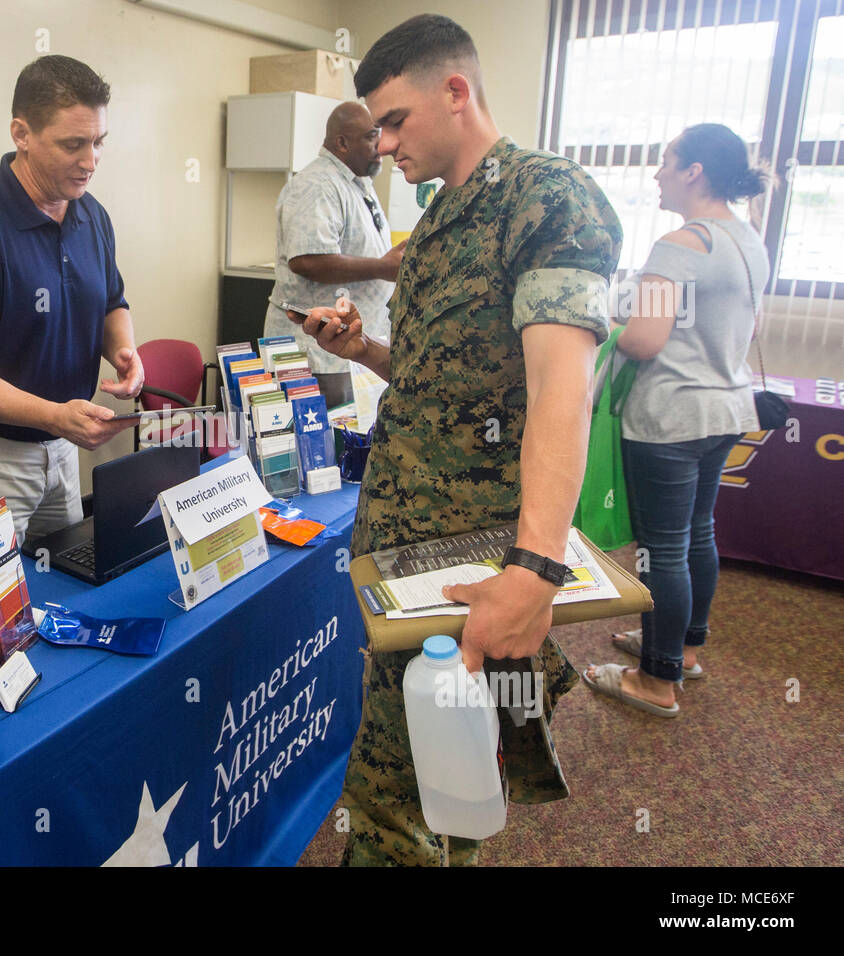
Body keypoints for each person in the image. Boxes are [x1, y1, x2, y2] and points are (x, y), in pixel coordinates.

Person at [298, 14, 622, 865]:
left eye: (396, 121)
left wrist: (535, 570)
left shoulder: (546, 198)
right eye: (376, 130)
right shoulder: (438, 220)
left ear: (456, 91)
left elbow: (562, 385)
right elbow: (442, 376)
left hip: (475, 566)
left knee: (398, 806)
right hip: (406, 558)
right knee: (452, 786)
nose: (384, 144)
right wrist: (362, 349)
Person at [0, 56, 143, 544]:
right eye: (72, 144)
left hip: (60, 447)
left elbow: (110, 302)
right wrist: (55, 415)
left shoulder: (91, 215)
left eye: (98, 142)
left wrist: (124, 350)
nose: (90, 161)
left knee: (61, 582)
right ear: (21, 133)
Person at [583, 124, 770, 717]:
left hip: (671, 419)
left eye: (667, 162)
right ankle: (682, 649)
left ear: (694, 172)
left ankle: (655, 679)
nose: (658, 174)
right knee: (697, 533)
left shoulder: (681, 243)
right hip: (725, 409)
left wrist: (606, 321)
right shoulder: (747, 240)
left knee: (661, 549)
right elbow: (745, 327)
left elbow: (643, 339)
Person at [263, 102, 405, 405]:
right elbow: (308, 260)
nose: (381, 146)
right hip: (316, 358)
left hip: (347, 353)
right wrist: (383, 267)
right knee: (321, 448)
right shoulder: (317, 184)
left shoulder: (355, 182)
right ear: (342, 142)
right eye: (371, 136)